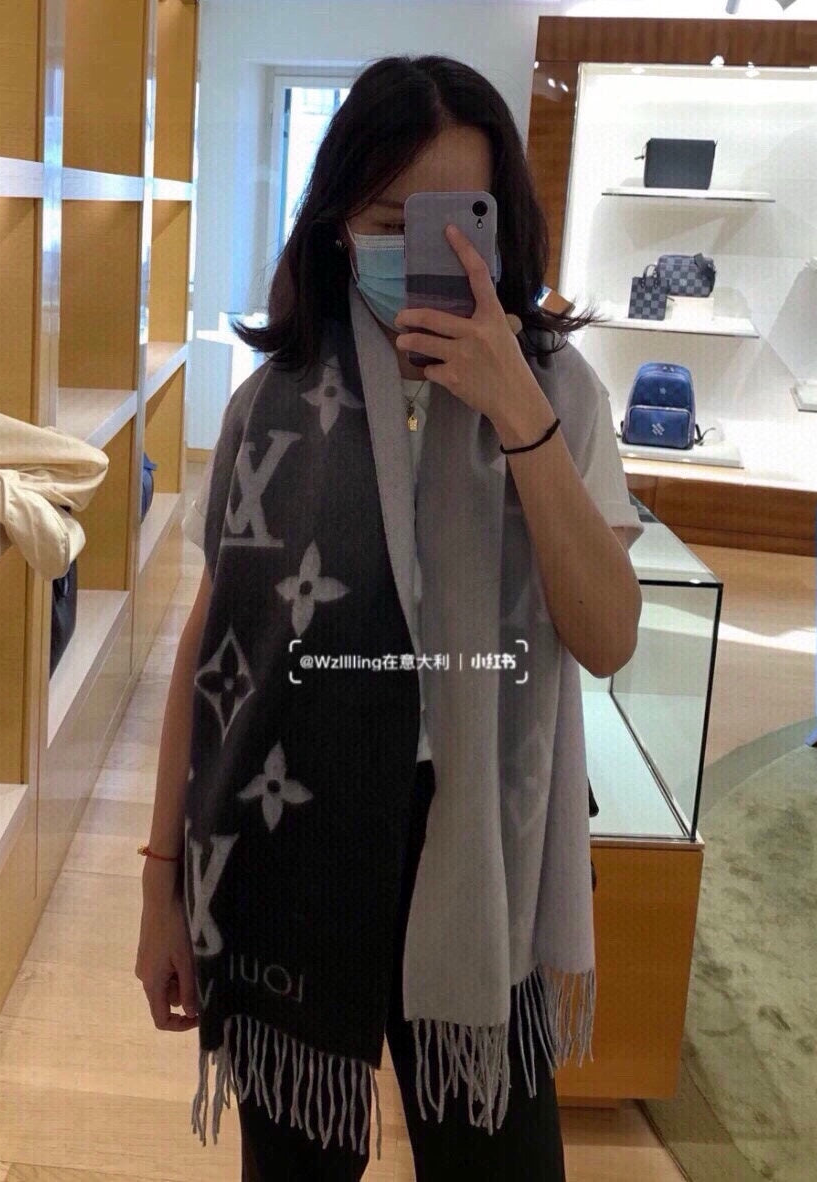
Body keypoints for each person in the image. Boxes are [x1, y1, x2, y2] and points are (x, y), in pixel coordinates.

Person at [135, 54, 644, 1182]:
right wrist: (160, 881)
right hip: (292, 840)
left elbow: (608, 637)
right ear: (335, 227)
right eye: (389, 221)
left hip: (480, 846)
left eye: (462, 221)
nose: (427, 252)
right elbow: (213, 662)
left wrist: (517, 415)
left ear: (503, 226)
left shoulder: (563, 395)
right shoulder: (270, 406)